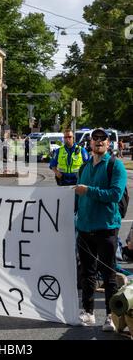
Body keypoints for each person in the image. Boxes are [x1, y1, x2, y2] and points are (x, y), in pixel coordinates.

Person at [74, 128, 127, 331]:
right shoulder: (84, 167)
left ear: (108, 143)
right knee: (87, 274)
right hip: (85, 228)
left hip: (106, 228)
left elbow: (114, 194)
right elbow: (79, 198)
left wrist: (88, 190)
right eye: (94, 138)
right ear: (90, 142)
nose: (98, 141)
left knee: (108, 275)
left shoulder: (116, 166)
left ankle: (110, 316)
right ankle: (88, 312)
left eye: (102, 139)